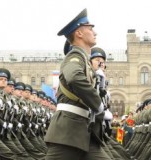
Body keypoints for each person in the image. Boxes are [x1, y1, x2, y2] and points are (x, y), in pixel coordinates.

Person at [45, 8, 108, 160]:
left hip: (82, 131)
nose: (95, 32)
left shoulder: (83, 60)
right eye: (90, 28)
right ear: (79, 33)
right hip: (68, 132)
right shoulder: (74, 56)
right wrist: (97, 103)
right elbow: (74, 77)